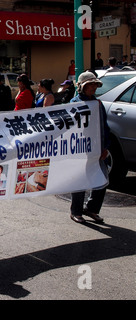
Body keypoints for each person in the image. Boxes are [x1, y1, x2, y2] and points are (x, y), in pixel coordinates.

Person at [69, 71, 110, 224]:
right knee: (80, 179)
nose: (93, 87)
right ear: (81, 87)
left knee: (101, 178)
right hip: (80, 148)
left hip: (97, 148)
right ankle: (76, 211)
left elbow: (105, 126)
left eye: (95, 84)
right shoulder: (74, 103)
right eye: (90, 84)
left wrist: (105, 146)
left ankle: (92, 209)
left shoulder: (98, 104)